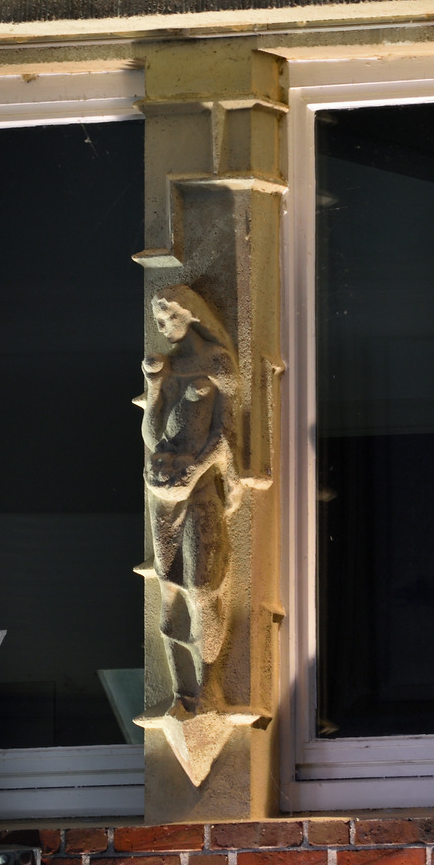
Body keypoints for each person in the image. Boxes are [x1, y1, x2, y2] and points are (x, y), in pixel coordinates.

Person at [141, 285, 240, 712]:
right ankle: (181, 692)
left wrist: (200, 471)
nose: (164, 327)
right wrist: (154, 388)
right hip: (163, 490)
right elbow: (153, 436)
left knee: (201, 588)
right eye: (158, 321)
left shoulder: (217, 362)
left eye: (170, 318)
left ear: (191, 313)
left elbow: (226, 433)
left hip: (198, 486)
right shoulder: (170, 365)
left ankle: (210, 684)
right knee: (169, 588)